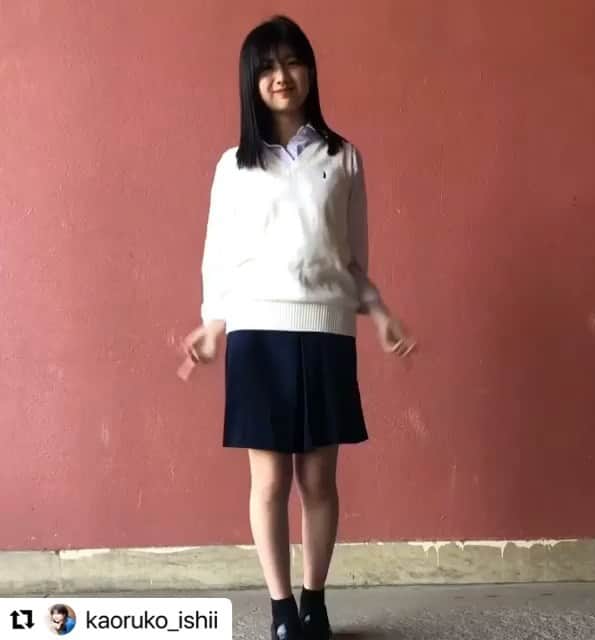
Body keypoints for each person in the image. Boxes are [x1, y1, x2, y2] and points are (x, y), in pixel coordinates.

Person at [183, 15, 414, 640]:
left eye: (291, 62)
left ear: (310, 69)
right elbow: (219, 257)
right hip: (257, 335)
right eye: (266, 67)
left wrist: (379, 312)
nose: (280, 76)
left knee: (318, 481)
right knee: (269, 481)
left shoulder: (344, 157)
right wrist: (212, 323)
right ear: (251, 82)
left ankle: (315, 602)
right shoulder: (233, 166)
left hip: (326, 335)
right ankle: (281, 609)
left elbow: (353, 259)